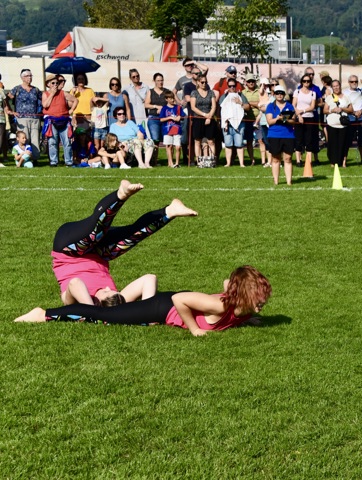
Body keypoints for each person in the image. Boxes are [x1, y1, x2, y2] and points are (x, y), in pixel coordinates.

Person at [47, 179, 197, 307]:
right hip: (100, 253)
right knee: (132, 236)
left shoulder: (75, 301)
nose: (107, 286)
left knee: (95, 233)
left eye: (105, 291)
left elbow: (75, 283)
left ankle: (121, 195)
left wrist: (91, 311)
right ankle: (170, 211)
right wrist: (147, 312)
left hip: (68, 249)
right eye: (113, 290)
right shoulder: (117, 300)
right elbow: (149, 279)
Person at [15, 266, 271, 338]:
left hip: (166, 305)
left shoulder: (242, 307)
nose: (261, 303)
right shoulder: (219, 306)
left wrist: (248, 319)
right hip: (160, 307)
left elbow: (228, 284)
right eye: (258, 298)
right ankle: (44, 314)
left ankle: (115, 300)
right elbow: (179, 299)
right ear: (243, 295)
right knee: (103, 317)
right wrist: (195, 329)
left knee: (112, 313)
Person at [42, 74, 78, 167]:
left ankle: (68, 161)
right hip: (51, 120)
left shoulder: (63, 93)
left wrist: (71, 110)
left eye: (57, 83)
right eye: (53, 83)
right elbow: (45, 105)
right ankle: (53, 162)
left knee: (67, 142)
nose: (55, 85)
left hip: (64, 120)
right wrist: (52, 94)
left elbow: (75, 100)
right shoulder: (45, 94)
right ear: (48, 84)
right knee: (52, 142)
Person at [6, 69, 42, 160]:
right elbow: (5, 99)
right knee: (24, 139)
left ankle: (35, 158)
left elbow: (43, 101)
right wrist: (11, 111)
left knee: (35, 139)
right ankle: (24, 158)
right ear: (22, 78)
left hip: (35, 118)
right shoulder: (17, 89)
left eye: (30, 76)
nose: (29, 78)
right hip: (21, 118)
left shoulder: (36, 90)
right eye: (27, 76)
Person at [265, 86, 297, 185]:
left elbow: (293, 121)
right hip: (274, 135)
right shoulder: (270, 106)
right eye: (277, 93)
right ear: (274, 94)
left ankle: (289, 182)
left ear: (284, 94)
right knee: (276, 159)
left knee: (288, 158)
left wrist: (285, 119)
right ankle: (276, 182)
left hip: (288, 135)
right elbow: (269, 121)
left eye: (281, 93)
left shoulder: (290, 106)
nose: (279, 95)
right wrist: (277, 119)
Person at [219, 78, 249, 167]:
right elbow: (221, 107)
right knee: (228, 144)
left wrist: (240, 102)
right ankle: (228, 163)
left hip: (239, 123)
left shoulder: (241, 95)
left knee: (239, 144)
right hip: (227, 124)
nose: (232, 87)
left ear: (236, 86)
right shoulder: (224, 96)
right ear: (227, 86)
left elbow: (247, 107)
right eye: (230, 86)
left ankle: (241, 163)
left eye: (233, 86)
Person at [323, 79, 353, 168]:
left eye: (337, 86)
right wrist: (332, 110)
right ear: (332, 88)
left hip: (343, 124)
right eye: (334, 86)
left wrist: (342, 109)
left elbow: (351, 110)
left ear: (340, 86)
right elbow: (325, 110)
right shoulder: (329, 97)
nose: (336, 88)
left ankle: (343, 162)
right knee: (332, 144)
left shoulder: (346, 97)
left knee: (344, 144)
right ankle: (333, 162)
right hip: (332, 124)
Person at [190, 74, 218, 165]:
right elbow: (193, 107)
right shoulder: (194, 93)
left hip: (209, 118)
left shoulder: (211, 93)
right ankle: (199, 161)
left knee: (211, 141)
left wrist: (209, 116)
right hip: (198, 119)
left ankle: (212, 160)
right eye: (202, 82)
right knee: (197, 140)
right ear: (198, 82)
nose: (204, 84)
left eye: (205, 82)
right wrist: (204, 115)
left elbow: (214, 106)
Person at [292, 74, 318, 170]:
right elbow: (293, 105)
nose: (306, 83)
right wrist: (299, 115)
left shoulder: (313, 93)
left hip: (309, 117)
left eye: (308, 81)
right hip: (299, 118)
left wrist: (302, 111)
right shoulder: (297, 92)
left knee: (309, 139)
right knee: (298, 139)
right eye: (304, 81)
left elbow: (312, 107)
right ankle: (298, 160)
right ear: (302, 82)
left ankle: (309, 161)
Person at [343, 75, 362, 165]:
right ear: (349, 82)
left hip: (361, 120)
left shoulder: (361, 92)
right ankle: (344, 160)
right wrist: (353, 113)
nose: (354, 83)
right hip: (350, 120)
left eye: (356, 81)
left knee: (361, 140)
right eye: (352, 82)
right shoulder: (345, 93)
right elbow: (344, 107)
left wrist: (360, 112)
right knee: (347, 140)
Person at [70, 73, 95, 163]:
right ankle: (76, 157)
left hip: (88, 117)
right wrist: (72, 94)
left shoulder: (90, 90)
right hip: (77, 117)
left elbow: (93, 104)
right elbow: (70, 104)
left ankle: (89, 157)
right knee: (77, 138)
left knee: (88, 138)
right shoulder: (73, 91)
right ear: (76, 81)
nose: (81, 80)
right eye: (79, 79)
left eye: (82, 79)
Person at [143, 73, 169, 160]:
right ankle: (154, 160)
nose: (160, 82)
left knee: (167, 140)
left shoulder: (167, 92)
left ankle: (169, 161)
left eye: (161, 80)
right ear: (154, 81)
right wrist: (155, 106)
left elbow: (172, 104)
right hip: (153, 118)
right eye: (158, 80)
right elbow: (146, 104)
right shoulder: (150, 91)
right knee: (155, 139)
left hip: (165, 119)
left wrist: (163, 109)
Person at [159, 91, 183, 168]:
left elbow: (182, 116)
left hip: (177, 129)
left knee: (178, 147)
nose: (173, 100)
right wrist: (170, 117)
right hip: (167, 130)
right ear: (166, 99)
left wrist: (180, 117)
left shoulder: (178, 107)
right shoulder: (164, 108)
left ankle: (177, 163)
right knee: (169, 146)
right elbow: (161, 119)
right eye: (171, 98)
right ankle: (170, 163)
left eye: (173, 98)